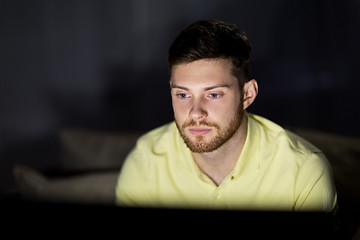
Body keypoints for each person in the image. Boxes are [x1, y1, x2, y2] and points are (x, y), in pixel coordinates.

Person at [115, 19, 337, 211]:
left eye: (213, 94)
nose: (195, 112)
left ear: (247, 95)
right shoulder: (145, 161)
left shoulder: (302, 171)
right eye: (183, 95)